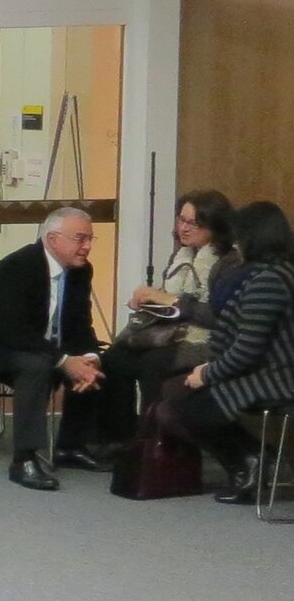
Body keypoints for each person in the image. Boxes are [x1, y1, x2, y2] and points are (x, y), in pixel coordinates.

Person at [0, 206, 106, 491]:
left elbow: (79, 325)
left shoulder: (80, 271)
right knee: (37, 366)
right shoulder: (18, 267)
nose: (87, 246)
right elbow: (12, 331)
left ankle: (71, 446)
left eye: (90, 239)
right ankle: (23, 459)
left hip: (33, 345)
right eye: (80, 238)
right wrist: (63, 360)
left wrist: (89, 357)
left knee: (97, 366)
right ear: (52, 239)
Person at [157, 199, 294, 503]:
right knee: (171, 395)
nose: (235, 242)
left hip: (274, 378)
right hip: (260, 371)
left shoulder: (269, 280)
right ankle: (249, 463)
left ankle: (254, 459)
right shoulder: (268, 273)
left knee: (177, 404)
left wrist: (206, 374)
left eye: (239, 235)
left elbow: (247, 349)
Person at [86, 189, 233, 445]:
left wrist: (170, 300)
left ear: (214, 226)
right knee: (114, 358)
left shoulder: (227, 262)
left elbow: (218, 316)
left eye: (193, 223)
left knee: (153, 364)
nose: (184, 228)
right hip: (172, 333)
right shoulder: (183, 255)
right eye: (181, 219)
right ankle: (119, 439)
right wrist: (150, 301)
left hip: (208, 340)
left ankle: (152, 443)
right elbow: (172, 302)